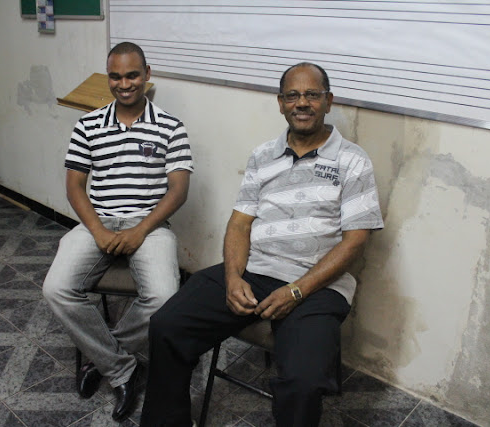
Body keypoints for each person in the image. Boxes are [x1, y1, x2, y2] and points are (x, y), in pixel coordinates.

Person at [139, 62, 384, 426]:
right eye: (293, 95)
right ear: (281, 103)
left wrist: (297, 291)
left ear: (328, 101)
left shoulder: (353, 161)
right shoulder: (263, 156)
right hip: (257, 270)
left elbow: (355, 242)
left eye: (312, 95)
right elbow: (240, 223)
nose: (302, 103)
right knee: (166, 326)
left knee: (302, 383)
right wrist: (233, 278)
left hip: (318, 287)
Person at [42, 42, 193, 421]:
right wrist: (97, 230)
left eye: (132, 75)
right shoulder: (88, 125)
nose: (124, 84)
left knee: (163, 298)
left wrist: (140, 230)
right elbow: (75, 187)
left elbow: (178, 190)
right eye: (116, 76)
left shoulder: (171, 126)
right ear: (107, 77)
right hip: (99, 221)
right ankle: (122, 368)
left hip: (151, 225)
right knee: (56, 289)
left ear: (146, 74)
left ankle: (102, 359)